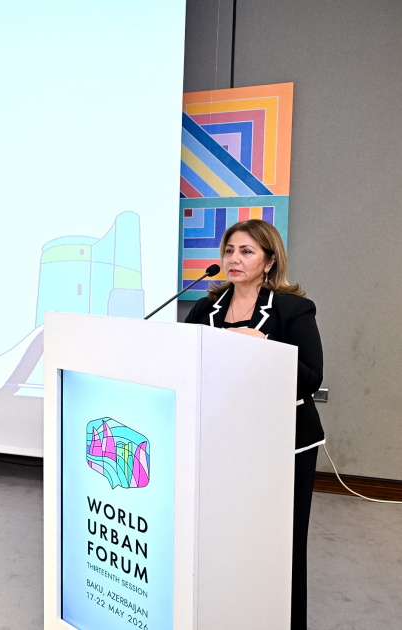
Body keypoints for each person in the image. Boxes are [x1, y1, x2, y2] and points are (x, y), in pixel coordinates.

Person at [184, 219, 324, 630]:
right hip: (221, 440)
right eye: (229, 250)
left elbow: (311, 377)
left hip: (281, 446)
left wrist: (265, 345)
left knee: (281, 543)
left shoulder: (293, 309)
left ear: (269, 260)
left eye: (246, 251)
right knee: (226, 537)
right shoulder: (205, 309)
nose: (234, 259)